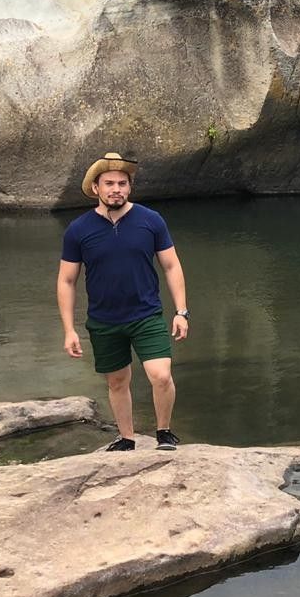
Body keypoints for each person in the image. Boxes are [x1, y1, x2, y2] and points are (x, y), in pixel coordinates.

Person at [57, 152, 189, 451]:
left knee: (161, 375)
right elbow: (67, 281)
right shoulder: (79, 229)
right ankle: (127, 438)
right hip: (104, 320)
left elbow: (171, 266)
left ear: (130, 188)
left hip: (147, 315)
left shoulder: (150, 220)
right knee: (117, 382)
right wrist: (69, 329)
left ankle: (164, 432)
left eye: (122, 183)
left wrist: (181, 311)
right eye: (109, 183)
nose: (116, 189)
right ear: (96, 188)